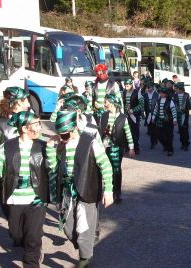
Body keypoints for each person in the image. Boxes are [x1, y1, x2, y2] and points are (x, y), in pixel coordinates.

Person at [47, 110, 114, 267]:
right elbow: (53, 168)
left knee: (83, 231)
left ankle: (84, 260)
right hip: (67, 194)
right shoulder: (60, 145)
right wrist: (51, 148)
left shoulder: (90, 142)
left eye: (64, 135)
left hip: (86, 192)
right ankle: (86, 248)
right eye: (59, 135)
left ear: (74, 129)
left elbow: (106, 166)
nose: (61, 138)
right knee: (69, 230)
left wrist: (109, 191)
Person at [0, 111, 48, 267]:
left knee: (33, 237)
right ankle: (29, 244)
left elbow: (53, 168)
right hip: (15, 198)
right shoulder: (6, 147)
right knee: (17, 234)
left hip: (37, 197)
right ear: (24, 128)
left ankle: (32, 260)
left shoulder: (43, 146)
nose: (40, 127)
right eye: (36, 124)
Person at [0, 86, 31, 224]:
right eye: (25, 100)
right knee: (10, 212)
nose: (28, 104)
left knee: (30, 216)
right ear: (16, 103)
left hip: (28, 172)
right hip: (7, 173)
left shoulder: (30, 118)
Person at [100, 93, 135, 203]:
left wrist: (131, 148)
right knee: (105, 169)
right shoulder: (103, 115)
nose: (104, 104)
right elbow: (99, 131)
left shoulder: (123, 118)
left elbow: (128, 133)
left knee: (116, 170)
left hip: (116, 147)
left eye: (106, 102)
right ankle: (107, 191)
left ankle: (117, 192)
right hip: (104, 147)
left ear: (112, 103)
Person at [152, 87, 177, 156]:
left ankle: (170, 150)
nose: (161, 94)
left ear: (166, 94)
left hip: (168, 121)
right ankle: (166, 146)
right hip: (160, 121)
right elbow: (155, 110)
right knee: (159, 135)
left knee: (169, 136)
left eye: (162, 93)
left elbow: (174, 111)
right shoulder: (158, 101)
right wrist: (153, 117)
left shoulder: (170, 101)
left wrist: (175, 120)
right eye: (160, 93)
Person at [122, 79, 145, 154]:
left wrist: (133, 110)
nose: (126, 87)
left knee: (135, 133)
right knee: (126, 131)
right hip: (126, 115)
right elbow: (123, 103)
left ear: (131, 85)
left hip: (134, 116)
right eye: (125, 85)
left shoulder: (137, 92)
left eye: (127, 86)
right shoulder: (124, 92)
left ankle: (136, 148)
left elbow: (141, 104)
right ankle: (127, 147)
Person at [173, 82, 191, 151]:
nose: (175, 89)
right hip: (178, 115)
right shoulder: (175, 96)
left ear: (180, 89)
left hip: (185, 115)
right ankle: (182, 143)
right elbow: (173, 105)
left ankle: (186, 144)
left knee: (185, 130)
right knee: (180, 130)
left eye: (176, 88)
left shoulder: (187, 95)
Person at [143, 82, 159, 149]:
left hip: (154, 114)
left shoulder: (157, 95)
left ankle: (153, 142)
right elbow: (143, 105)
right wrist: (143, 112)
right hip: (148, 114)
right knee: (150, 129)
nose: (149, 89)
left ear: (153, 87)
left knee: (154, 129)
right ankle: (154, 140)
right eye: (148, 88)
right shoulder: (145, 95)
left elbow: (158, 105)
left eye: (150, 87)